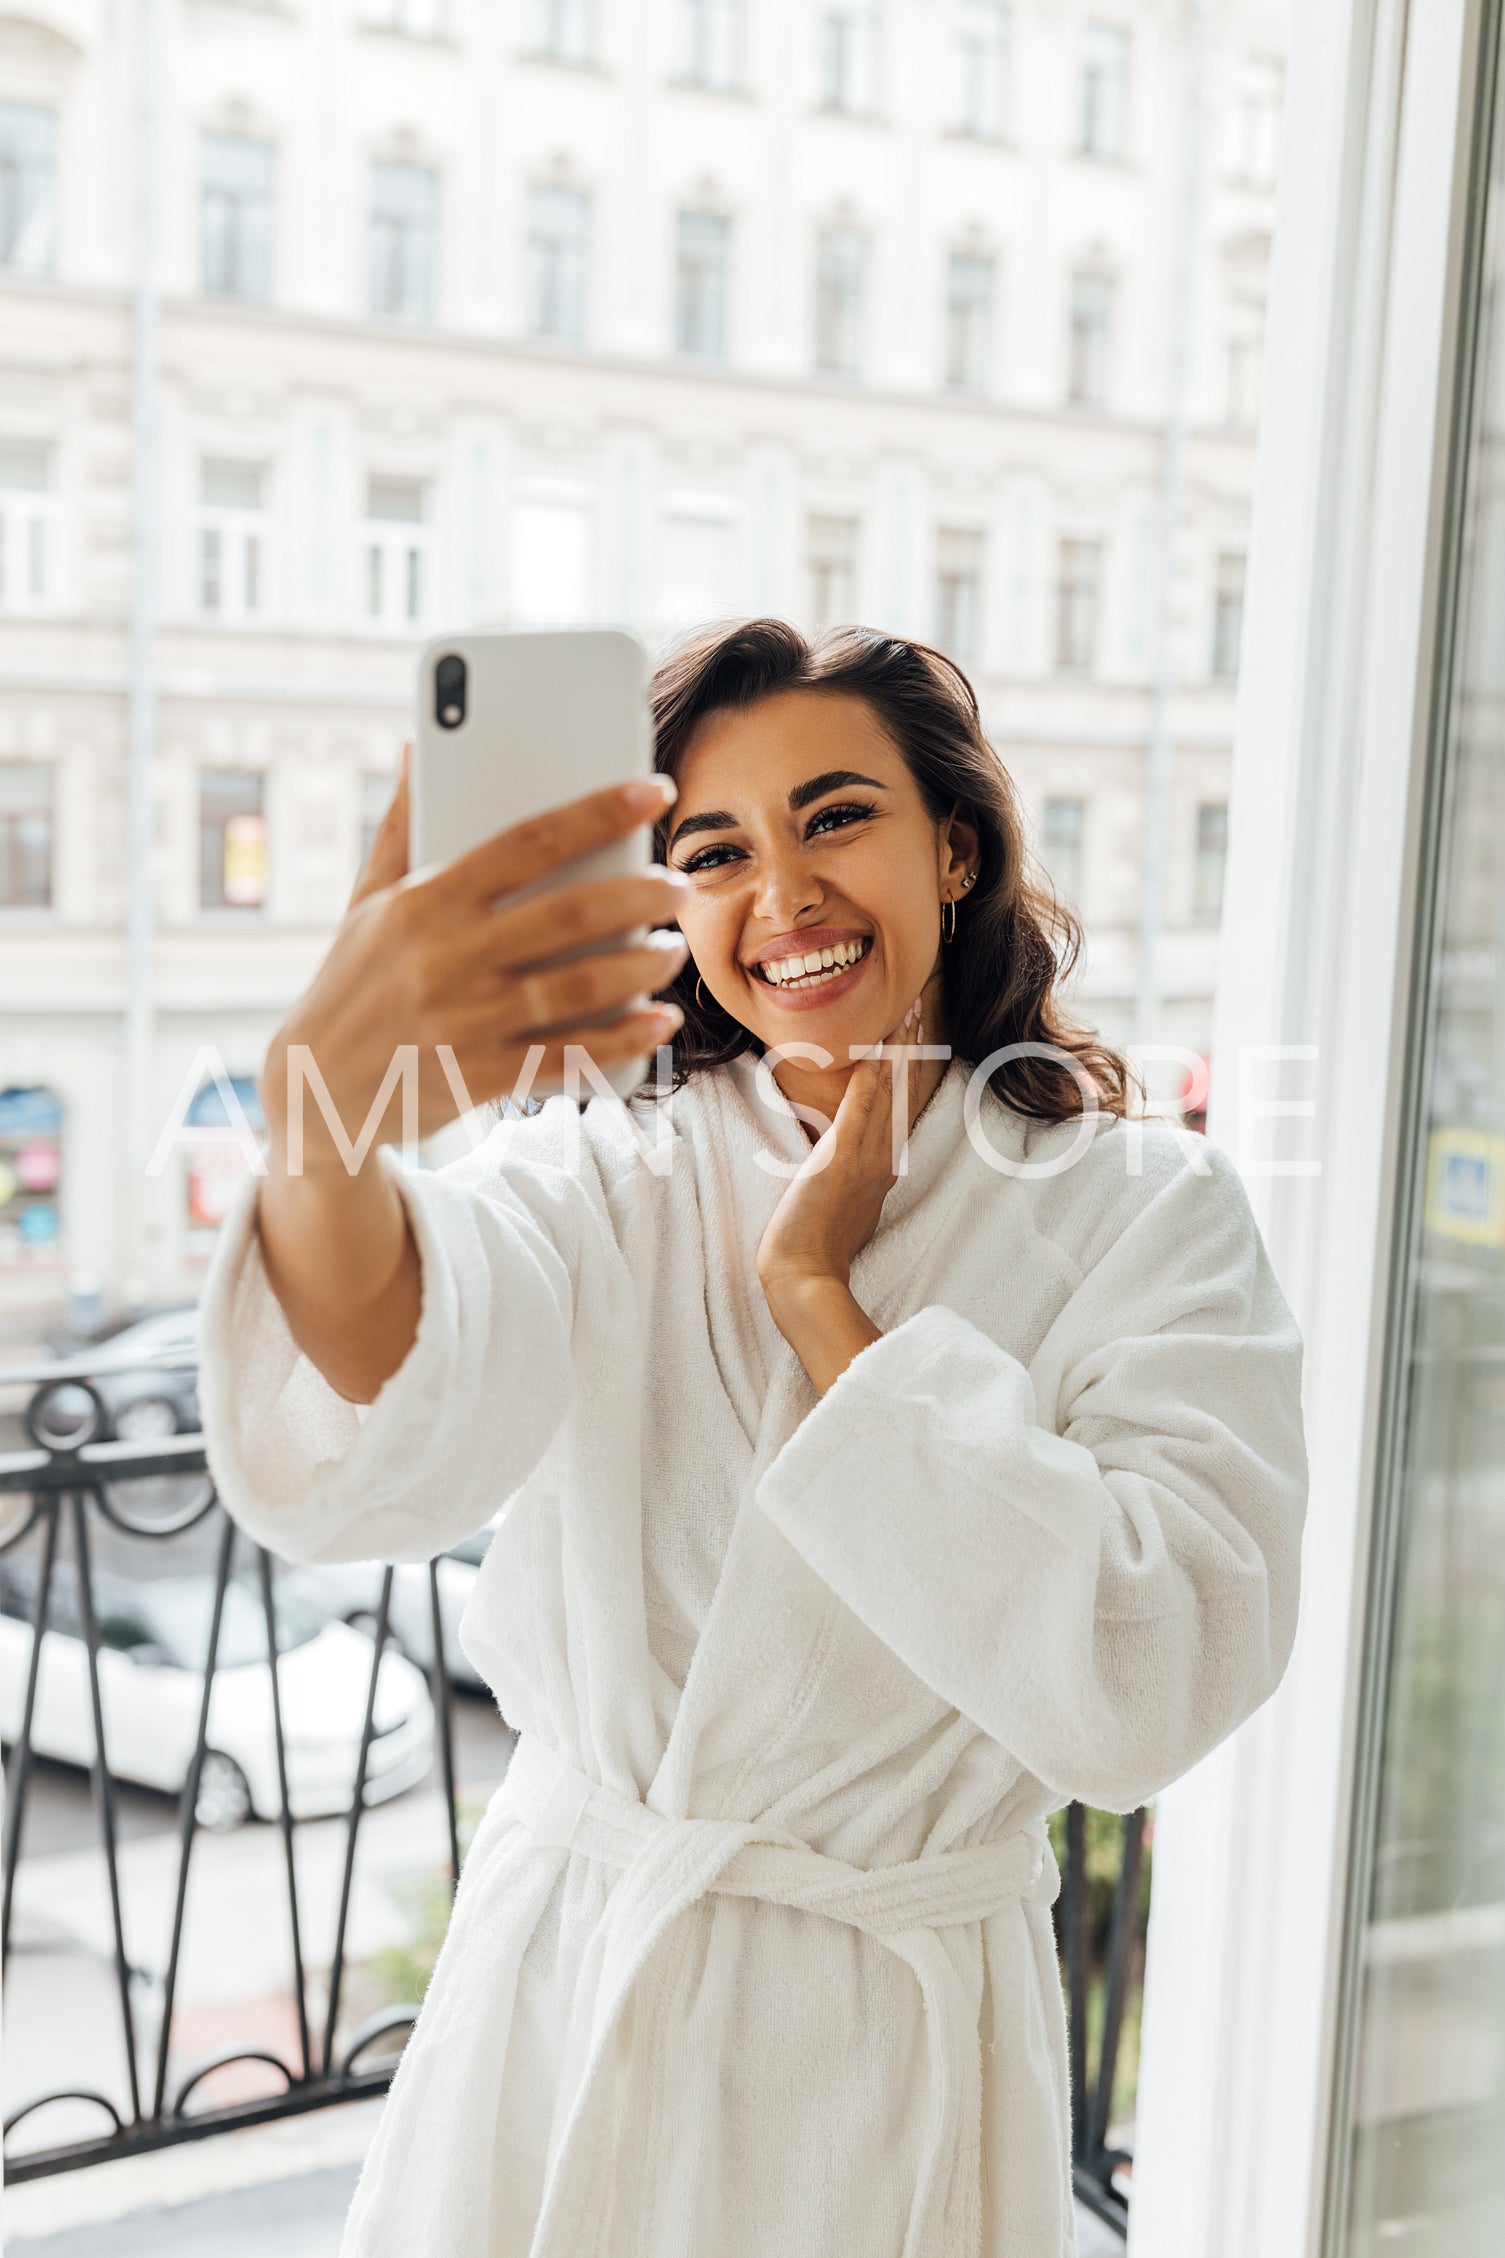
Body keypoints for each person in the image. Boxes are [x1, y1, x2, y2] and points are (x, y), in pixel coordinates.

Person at [196, 620, 1308, 2258]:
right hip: (577, 1991)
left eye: (834, 816)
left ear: (954, 843)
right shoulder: (605, 1158)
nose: (779, 891)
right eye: (712, 849)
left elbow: (1146, 1675)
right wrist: (321, 1096)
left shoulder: (1145, 1212)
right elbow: (386, 1366)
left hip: (884, 2049)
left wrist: (821, 1303)